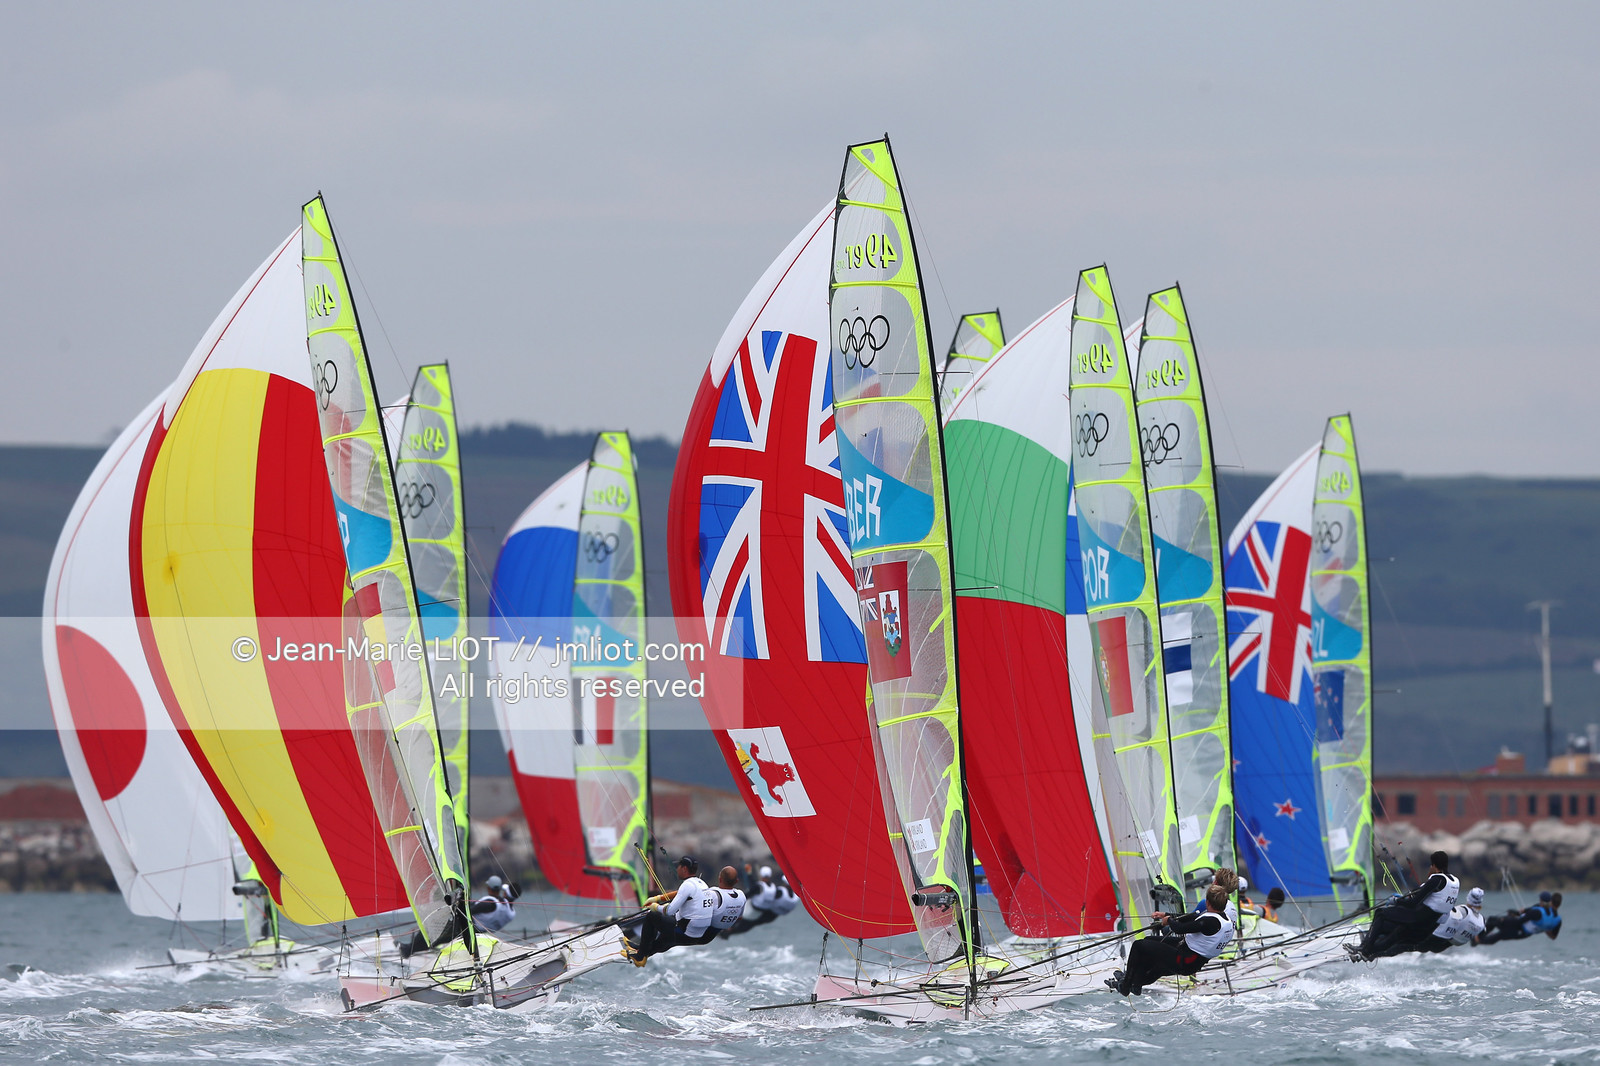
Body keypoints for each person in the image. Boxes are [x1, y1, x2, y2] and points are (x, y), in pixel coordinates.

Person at [1107, 885, 1235, 996]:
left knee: (1139, 946)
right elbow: (1192, 918)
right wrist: (1166, 915)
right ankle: (1135, 984)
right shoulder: (1224, 919)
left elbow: (1180, 929)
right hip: (1191, 957)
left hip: (1186, 960)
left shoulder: (1210, 922)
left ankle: (1125, 985)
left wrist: (1168, 921)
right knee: (1149, 941)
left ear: (1207, 902)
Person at [625, 861, 747, 966]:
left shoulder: (715, 894)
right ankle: (642, 950)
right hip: (709, 936)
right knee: (667, 939)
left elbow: (689, 893)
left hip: (699, 933)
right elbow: (739, 918)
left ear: (719, 878)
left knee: (656, 919)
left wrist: (658, 902)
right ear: (737, 880)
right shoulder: (742, 896)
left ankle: (641, 955)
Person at [1350, 851, 1458, 961]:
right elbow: (1436, 899)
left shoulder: (1437, 879)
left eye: (1431, 865)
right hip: (1427, 928)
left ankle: (1364, 948)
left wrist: (1396, 901)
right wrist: (1404, 898)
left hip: (1417, 918)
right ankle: (1368, 954)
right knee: (1392, 936)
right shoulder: (1455, 882)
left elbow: (1413, 903)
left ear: (1434, 865)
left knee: (1380, 914)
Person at [398, 877, 522, 958]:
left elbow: (471, 910)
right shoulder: (511, 913)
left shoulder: (492, 903)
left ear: (504, 892)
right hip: (477, 933)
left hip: (464, 927)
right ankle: (412, 949)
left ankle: (408, 950)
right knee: (438, 939)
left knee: (434, 931)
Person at [1477, 891, 1563, 945]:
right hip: (1524, 933)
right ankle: (1478, 938)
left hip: (1518, 929)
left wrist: (1505, 920)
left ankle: (1477, 939)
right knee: (1494, 923)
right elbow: (1553, 936)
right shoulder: (1555, 919)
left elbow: (1519, 921)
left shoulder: (1538, 912)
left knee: (1497, 926)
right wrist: (1515, 913)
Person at [720, 864, 781, 938]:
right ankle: (728, 932)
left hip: (749, 909)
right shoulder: (774, 888)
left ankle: (722, 930)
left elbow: (750, 890)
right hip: (757, 914)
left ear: (762, 875)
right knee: (745, 927)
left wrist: (749, 872)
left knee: (733, 918)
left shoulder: (759, 887)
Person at [1422, 886, 1486, 953]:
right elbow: (1480, 935)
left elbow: (1446, 914)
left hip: (1438, 937)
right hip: (1450, 944)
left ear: (1469, 897)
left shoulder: (1463, 910)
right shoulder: (1482, 921)